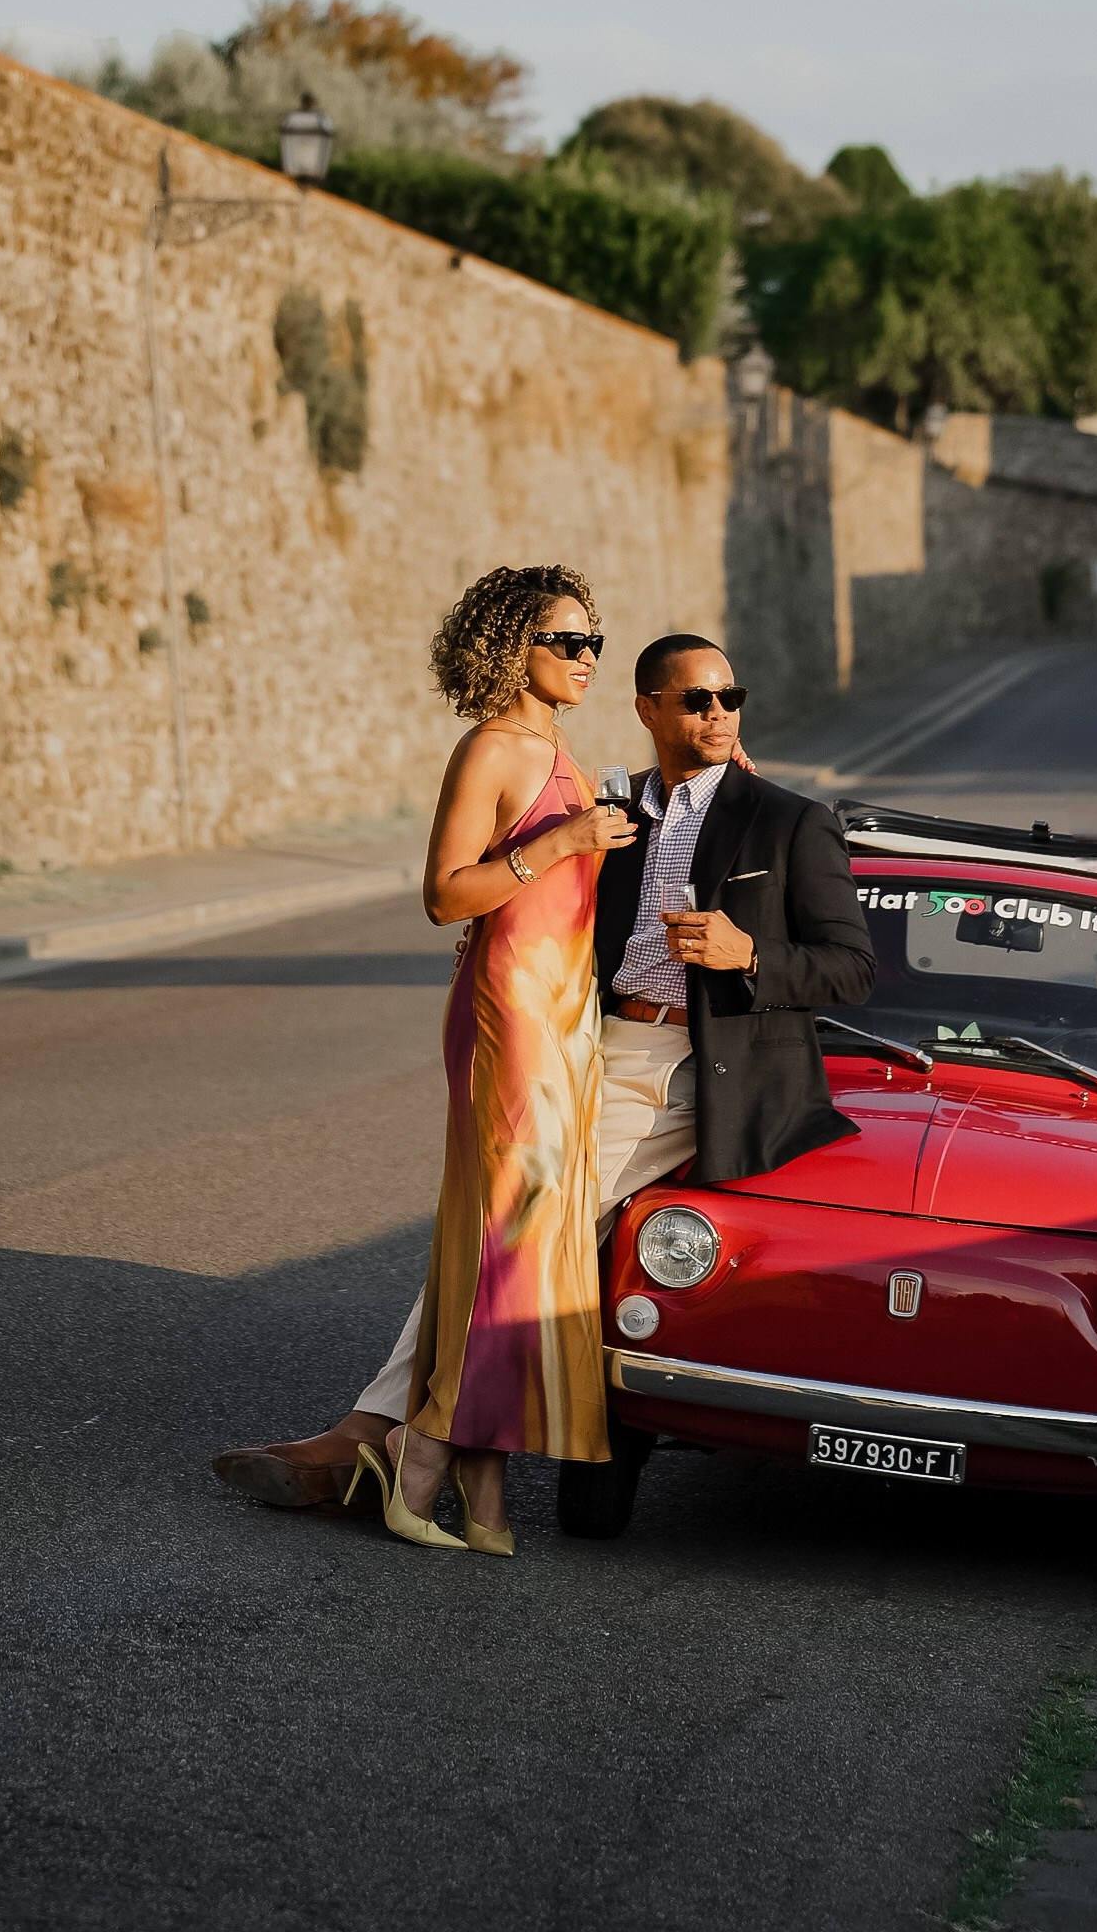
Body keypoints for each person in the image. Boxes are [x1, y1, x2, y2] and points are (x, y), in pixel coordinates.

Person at [213, 627, 877, 1527]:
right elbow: (530, 902)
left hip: (693, 1069)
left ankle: (380, 1433)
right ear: (649, 710)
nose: (719, 713)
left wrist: (746, 951)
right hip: (582, 1041)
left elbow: (851, 967)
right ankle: (406, 1438)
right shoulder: (613, 813)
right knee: (499, 1222)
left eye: (731, 698)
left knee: (521, 1222)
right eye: (697, 699)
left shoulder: (786, 818)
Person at [334, 563, 635, 1555]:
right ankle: (419, 1460)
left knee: (528, 1241)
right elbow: (444, 895)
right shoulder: (494, 750)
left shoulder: (561, 753)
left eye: (593, 641)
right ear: (516, 650)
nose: (587, 658)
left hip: (565, 1011)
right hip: (509, 1005)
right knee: (510, 1236)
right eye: (567, 641)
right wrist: (561, 844)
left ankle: (487, 1486)